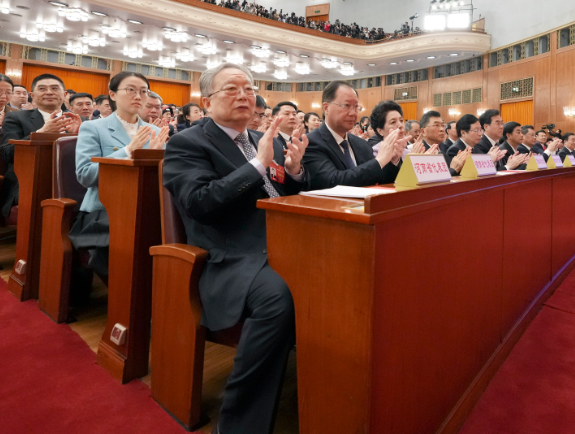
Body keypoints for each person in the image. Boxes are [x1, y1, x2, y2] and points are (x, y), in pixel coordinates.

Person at [163, 62, 307, 434]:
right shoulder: (187, 142)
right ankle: (239, 426)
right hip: (234, 255)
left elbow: (280, 196)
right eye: (232, 89)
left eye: (249, 89)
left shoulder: (263, 138)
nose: (244, 95)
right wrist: (259, 163)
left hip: (286, 242)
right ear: (206, 99)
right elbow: (200, 203)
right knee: (278, 298)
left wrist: (292, 172)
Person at [71, 72, 166, 285]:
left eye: (143, 91)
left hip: (146, 207)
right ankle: (127, 301)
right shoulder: (93, 127)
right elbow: (85, 175)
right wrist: (127, 151)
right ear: (112, 95)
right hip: (104, 210)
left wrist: (158, 158)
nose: (138, 96)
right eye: (130, 90)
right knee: (122, 248)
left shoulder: (155, 132)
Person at [0, 74, 81, 217]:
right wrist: (40, 133)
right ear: (33, 95)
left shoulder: (81, 120)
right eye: (42, 89)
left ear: (65, 94)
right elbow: (7, 153)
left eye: (55, 88)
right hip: (30, 181)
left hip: (74, 178)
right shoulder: (16, 118)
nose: (49, 92)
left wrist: (76, 137)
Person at [303, 80, 406, 189]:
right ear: (326, 108)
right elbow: (332, 181)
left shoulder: (361, 144)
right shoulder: (311, 142)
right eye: (346, 105)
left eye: (356, 107)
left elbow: (380, 181)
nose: (353, 113)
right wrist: (379, 161)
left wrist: (393, 159)